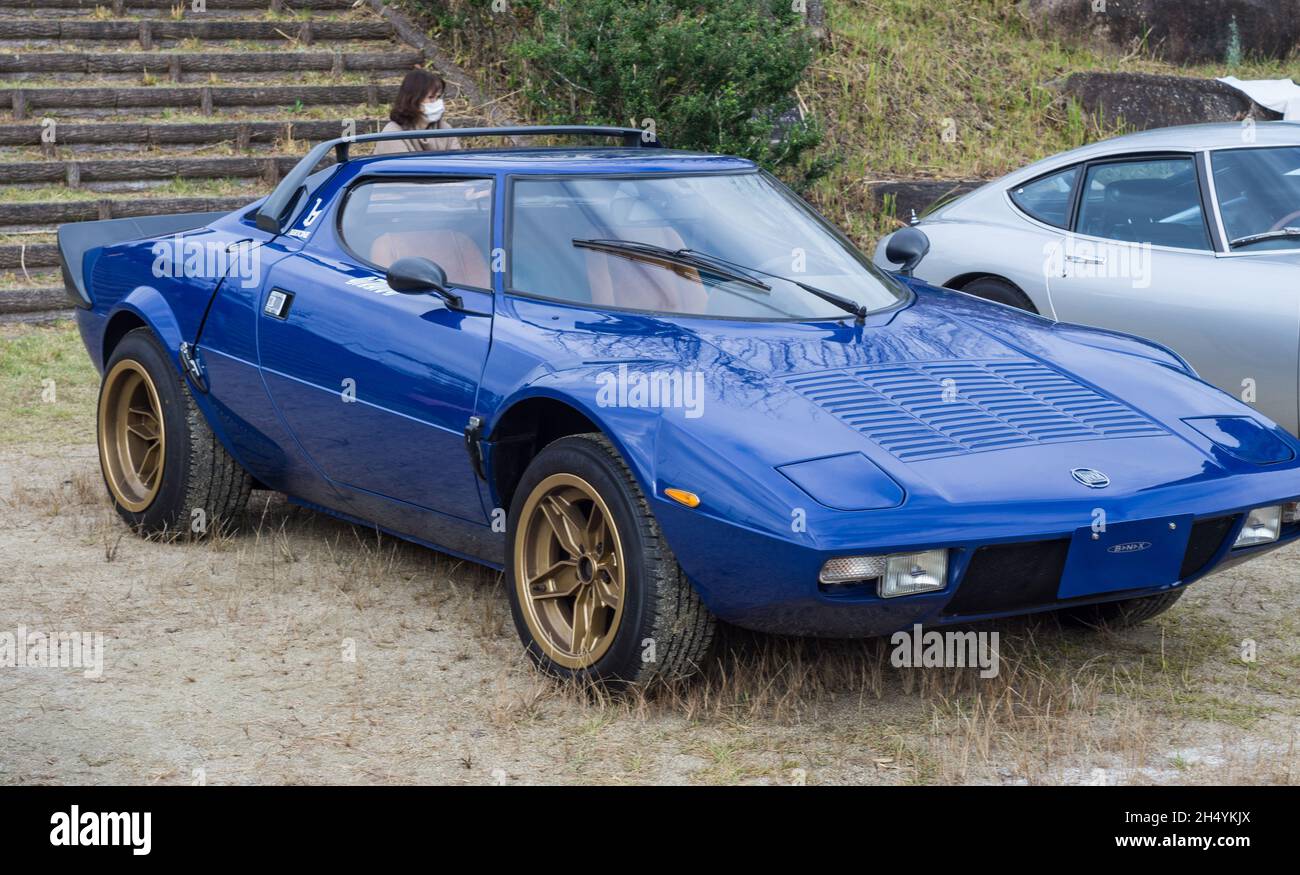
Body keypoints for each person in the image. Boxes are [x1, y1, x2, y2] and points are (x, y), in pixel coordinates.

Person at [374, 69, 461, 155]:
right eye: (431, 97)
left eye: (438, 97)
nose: (436, 102)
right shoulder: (393, 133)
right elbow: (401, 167)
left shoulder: (444, 128)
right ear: (413, 99)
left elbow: (457, 161)